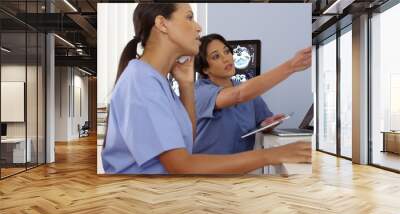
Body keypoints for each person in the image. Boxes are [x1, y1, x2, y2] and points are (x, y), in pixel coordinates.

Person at [101, 3, 311, 174]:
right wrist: (272, 155)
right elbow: (181, 165)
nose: (199, 27)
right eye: (190, 17)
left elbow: (186, 143)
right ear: (162, 24)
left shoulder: (158, 81)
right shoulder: (141, 81)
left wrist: (185, 84)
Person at [193, 34, 311, 155]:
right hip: (207, 170)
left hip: (239, 169)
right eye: (216, 56)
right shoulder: (200, 92)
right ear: (204, 69)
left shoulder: (246, 89)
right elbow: (238, 95)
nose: (226, 58)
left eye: (227, 51)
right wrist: (291, 66)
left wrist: (266, 125)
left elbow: (262, 121)